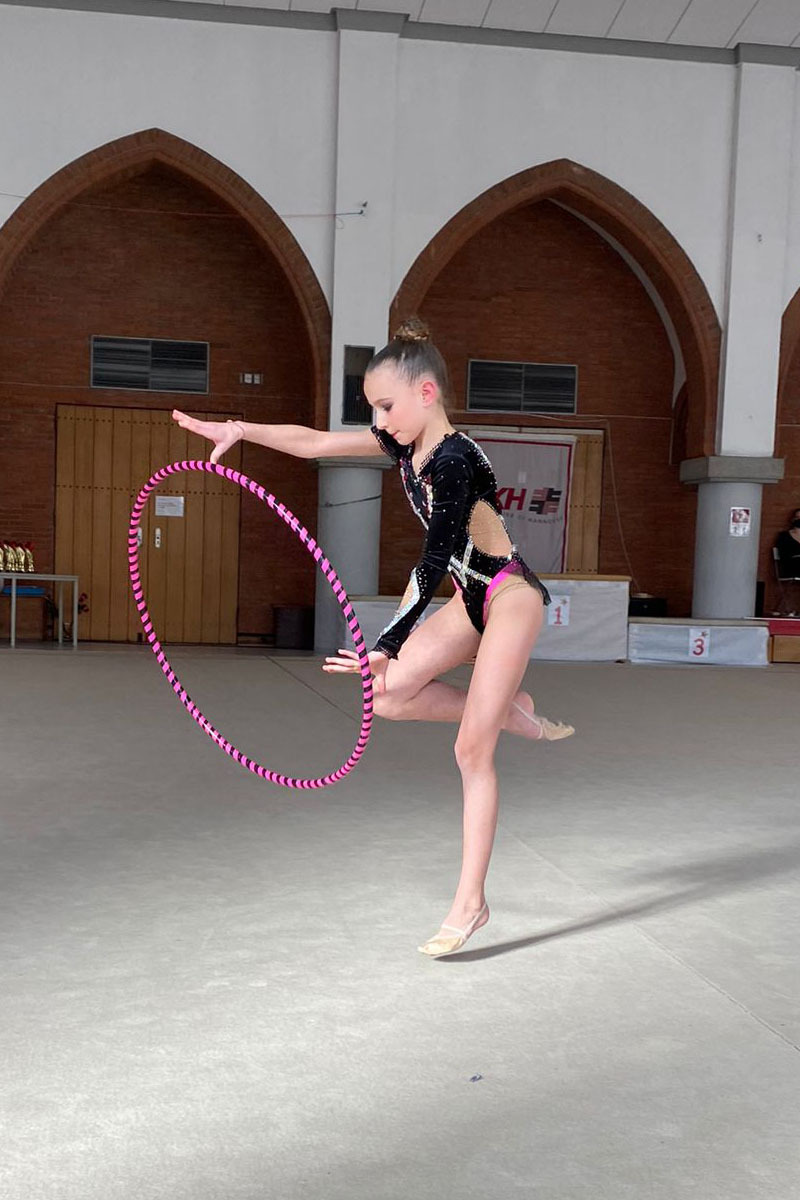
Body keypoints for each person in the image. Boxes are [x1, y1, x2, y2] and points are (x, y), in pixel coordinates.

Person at [172, 318, 573, 958]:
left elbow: (434, 558)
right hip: (469, 599)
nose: (379, 421)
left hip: (509, 595)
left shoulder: (455, 461)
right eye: (374, 410)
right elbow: (313, 443)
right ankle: (509, 712)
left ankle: (471, 903)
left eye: (386, 406)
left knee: (471, 751)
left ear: (426, 393)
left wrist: (384, 643)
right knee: (385, 697)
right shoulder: (403, 446)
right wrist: (240, 430)